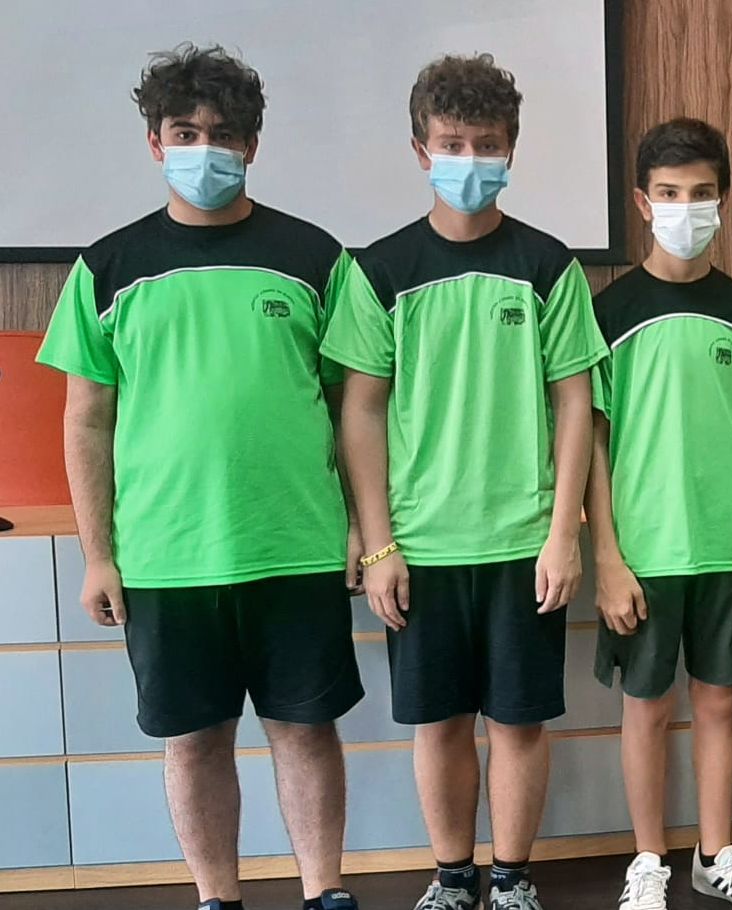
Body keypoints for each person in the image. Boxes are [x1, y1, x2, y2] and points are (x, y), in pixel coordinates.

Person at [37, 44, 364, 910]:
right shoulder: (107, 268)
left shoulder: (315, 257)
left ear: (252, 144)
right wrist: (98, 556)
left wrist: (364, 529)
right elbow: (86, 420)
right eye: (185, 132)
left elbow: (355, 409)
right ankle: (217, 898)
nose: (204, 149)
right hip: (164, 556)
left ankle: (325, 893)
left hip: (296, 544)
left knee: (306, 732)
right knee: (193, 742)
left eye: (223, 134)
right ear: (155, 142)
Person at [322, 54, 605, 910]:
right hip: (421, 545)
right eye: (452, 144)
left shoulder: (548, 265)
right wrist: (378, 544)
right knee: (439, 723)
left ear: (512, 148)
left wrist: (564, 534)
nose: (470, 160)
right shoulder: (380, 271)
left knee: (519, 723)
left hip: (525, 544)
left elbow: (575, 402)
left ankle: (512, 879)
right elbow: (360, 410)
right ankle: (452, 879)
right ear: (421, 151)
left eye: (486, 144)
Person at [587, 117, 732, 910]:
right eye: (669, 194)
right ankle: (648, 860)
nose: (685, 208)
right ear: (643, 202)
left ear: (724, 199)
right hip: (644, 548)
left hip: (727, 545)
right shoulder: (610, 311)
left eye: (701, 193)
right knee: (646, 708)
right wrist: (607, 557)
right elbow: (593, 441)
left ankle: (715, 853)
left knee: (719, 702)